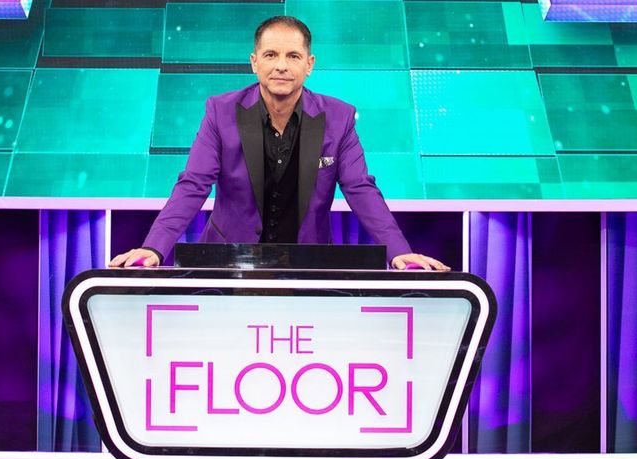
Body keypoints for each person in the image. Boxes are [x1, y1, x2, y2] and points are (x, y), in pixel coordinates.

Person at [110, 16, 448, 271]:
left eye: (293, 56)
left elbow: (360, 188)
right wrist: (153, 248)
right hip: (227, 264)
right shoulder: (220, 111)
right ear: (254, 62)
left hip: (309, 264)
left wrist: (399, 251)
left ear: (309, 64)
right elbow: (193, 184)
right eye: (271, 55)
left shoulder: (339, 117)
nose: (282, 66)